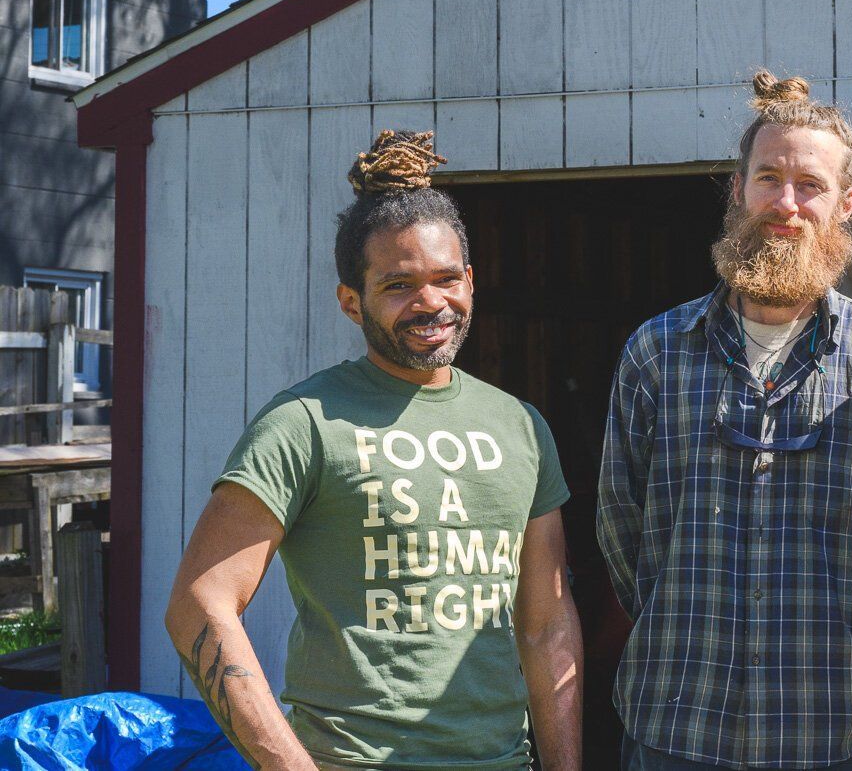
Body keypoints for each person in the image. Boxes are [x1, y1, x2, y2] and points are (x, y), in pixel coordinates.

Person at [165, 130, 583, 771]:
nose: (431, 303)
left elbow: (546, 623)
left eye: (447, 279)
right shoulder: (303, 423)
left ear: (470, 281)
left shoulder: (520, 427)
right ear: (350, 302)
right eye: (399, 286)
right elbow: (199, 604)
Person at [597, 72, 852, 771]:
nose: (786, 204)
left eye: (811, 185)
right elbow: (621, 527)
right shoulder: (656, 353)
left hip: (836, 731)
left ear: (846, 203)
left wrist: (842, 603)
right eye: (769, 178)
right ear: (738, 189)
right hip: (677, 726)